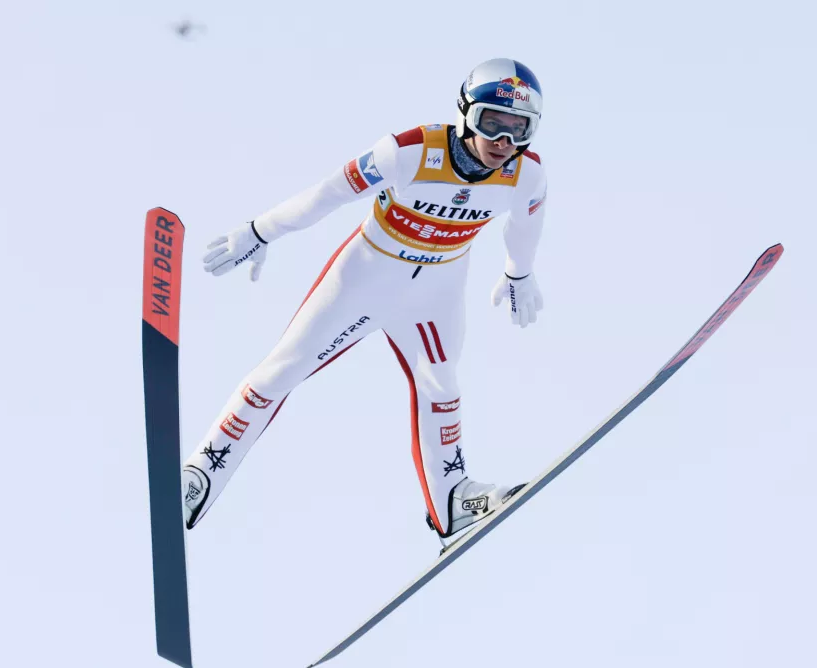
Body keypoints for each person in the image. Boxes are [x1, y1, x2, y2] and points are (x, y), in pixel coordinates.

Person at [182, 57, 548, 546]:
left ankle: (452, 501)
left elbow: (524, 225)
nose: (504, 143)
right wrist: (261, 230)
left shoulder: (526, 174)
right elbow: (328, 194)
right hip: (367, 276)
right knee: (281, 371)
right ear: (465, 114)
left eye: (519, 131)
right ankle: (203, 471)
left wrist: (518, 273)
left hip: (436, 290)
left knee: (441, 386)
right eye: (492, 124)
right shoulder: (409, 152)